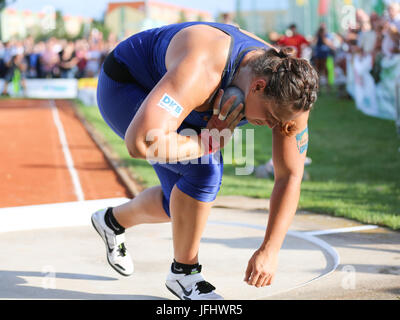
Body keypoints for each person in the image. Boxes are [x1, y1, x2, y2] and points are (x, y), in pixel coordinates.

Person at [91, 21, 319, 300]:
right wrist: (206, 142)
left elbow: (290, 176)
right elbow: (141, 142)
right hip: (129, 84)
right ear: (258, 86)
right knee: (204, 170)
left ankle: (111, 222)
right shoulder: (204, 66)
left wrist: (269, 249)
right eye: (270, 118)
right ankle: (184, 274)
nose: (270, 126)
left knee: (179, 205)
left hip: (185, 98)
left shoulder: (291, 95)